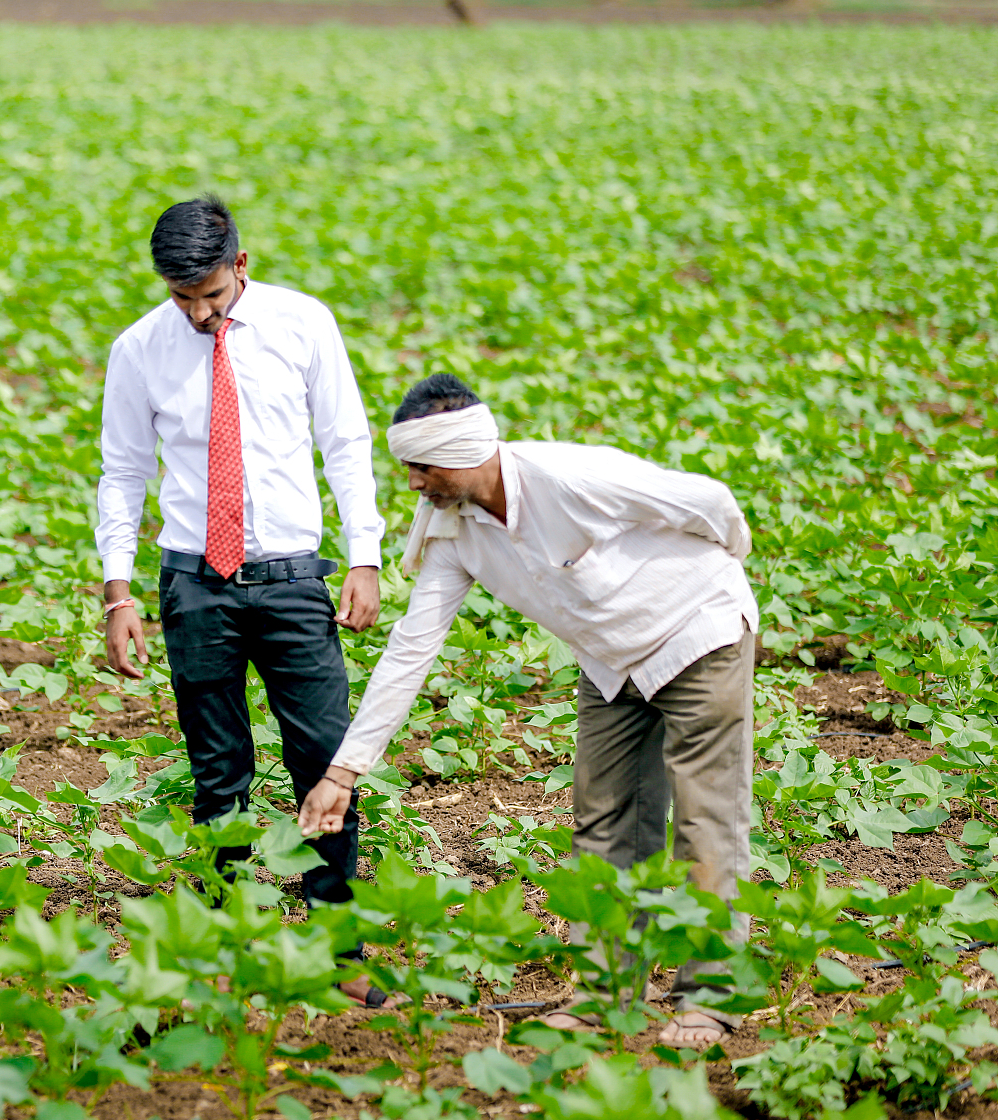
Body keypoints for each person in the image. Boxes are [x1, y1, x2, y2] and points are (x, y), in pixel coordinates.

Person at [299, 371, 758, 1047]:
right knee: (604, 825)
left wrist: (720, 574)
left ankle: (711, 1000)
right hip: (611, 664)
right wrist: (344, 772)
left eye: (423, 467)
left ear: (463, 452)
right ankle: (604, 994)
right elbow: (410, 651)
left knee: (704, 817)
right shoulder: (455, 534)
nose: (414, 483)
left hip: (697, 634)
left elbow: (711, 501)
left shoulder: (569, 476)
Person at [97, 197, 386, 1004]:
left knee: (324, 759)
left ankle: (339, 949)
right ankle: (222, 945)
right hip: (195, 583)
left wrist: (364, 556)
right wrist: (118, 592)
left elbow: (345, 441)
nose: (199, 312)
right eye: (181, 296)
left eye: (212, 295)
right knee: (217, 770)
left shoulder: (303, 325)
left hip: (292, 579)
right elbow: (123, 471)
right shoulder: (140, 349)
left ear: (242, 265)